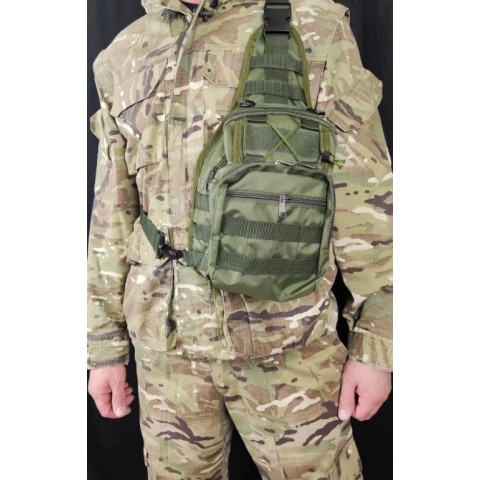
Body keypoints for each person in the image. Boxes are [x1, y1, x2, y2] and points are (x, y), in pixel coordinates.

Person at [87, 0, 393, 478]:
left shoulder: (312, 26)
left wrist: (377, 344)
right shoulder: (124, 53)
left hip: (288, 343)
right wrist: (104, 347)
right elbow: (113, 210)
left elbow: (368, 201)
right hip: (166, 354)